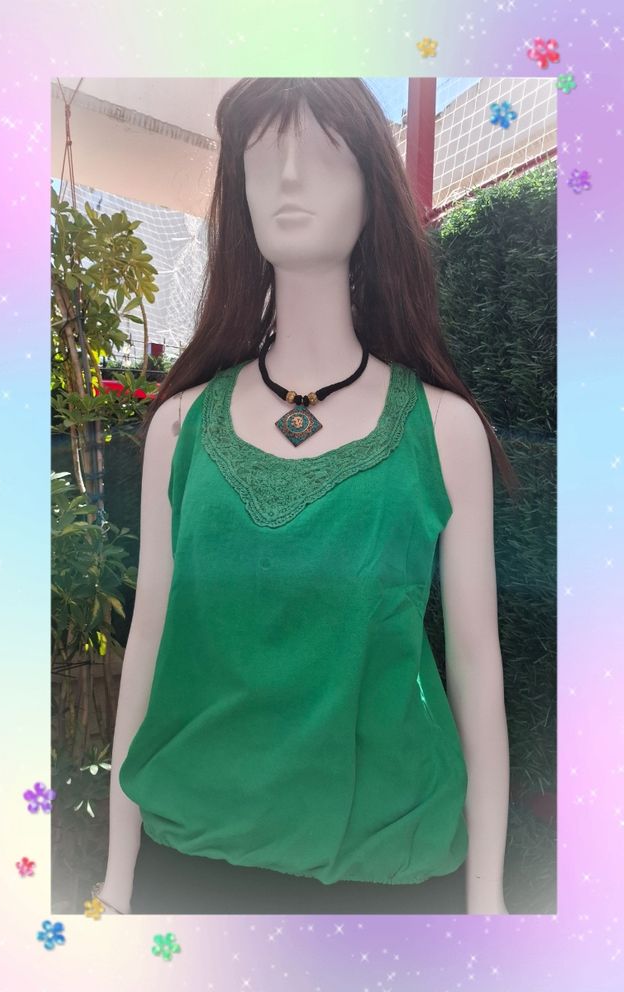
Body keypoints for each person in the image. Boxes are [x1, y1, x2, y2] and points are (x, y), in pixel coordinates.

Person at [94, 77, 514, 916]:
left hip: (389, 867)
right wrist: (116, 874)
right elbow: (149, 640)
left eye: (324, 152)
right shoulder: (178, 426)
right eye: (263, 159)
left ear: (372, 188)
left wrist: (488, 898)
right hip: (191, 855)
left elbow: (475, 660)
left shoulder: (445, 430)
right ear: (240, 193)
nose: (289, 179)